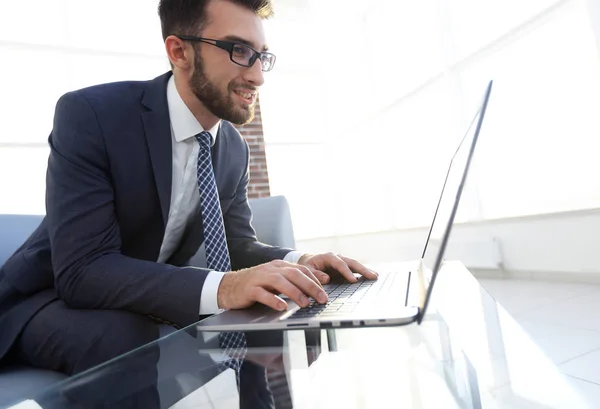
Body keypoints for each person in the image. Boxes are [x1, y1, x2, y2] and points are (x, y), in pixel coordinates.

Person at [0, 0, 378, 407]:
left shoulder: (231, 145)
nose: (256, 76)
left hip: (134, 293)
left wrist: (299, 261)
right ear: (179, 51)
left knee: (251, 307)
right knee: (123, 334)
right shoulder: (91, 115)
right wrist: (228, 286)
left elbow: (236, 247)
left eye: (261, 56)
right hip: (45, 298)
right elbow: (83, 272)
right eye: (238, 51)